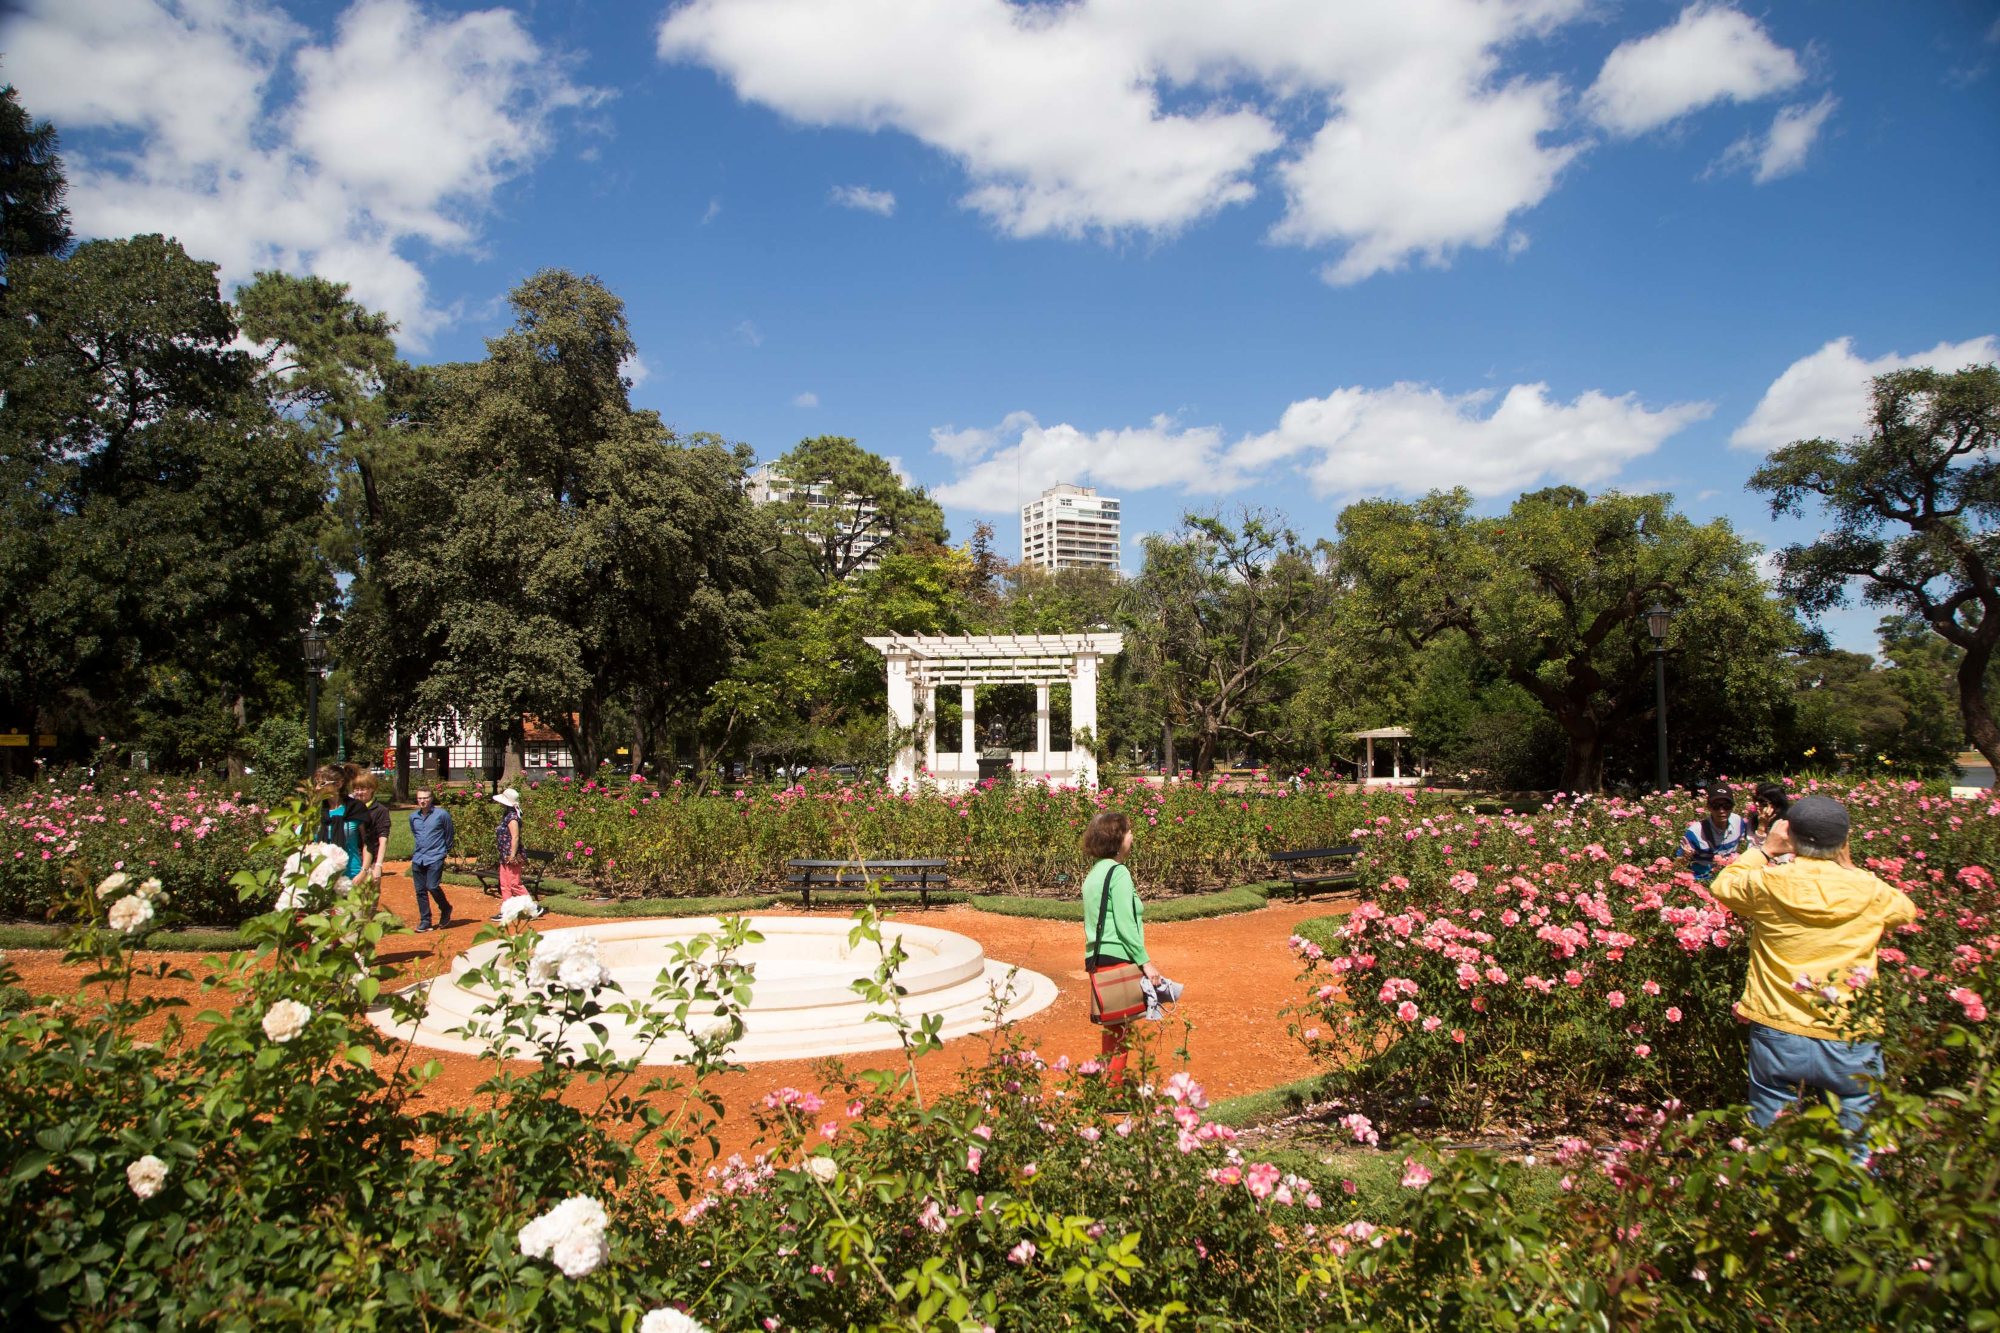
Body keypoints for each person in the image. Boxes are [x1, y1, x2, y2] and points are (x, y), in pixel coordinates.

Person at [1709, 795, 1917, 1160]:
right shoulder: (1870, 891)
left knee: (1771, 1143)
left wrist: (1764, 849)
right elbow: (1905, 911)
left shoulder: (1770, 883)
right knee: (1860, 1146)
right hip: (1850, 1032)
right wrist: (1848, 865)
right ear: (1845, 839)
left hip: (1779, 1027)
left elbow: (1724, 885)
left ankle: (1774, 1188)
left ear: (1789, 836)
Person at [1080, 811, 1162, 1085]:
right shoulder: (1119, 873)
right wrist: (1145, 962)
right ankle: (1113, 1091)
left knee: (1113, 1027)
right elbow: (1125, 925)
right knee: (1120, 1032)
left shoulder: (1094, 873)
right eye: (1128, 831)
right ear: (1116, 839)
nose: (1132, 836)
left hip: (1098, 958)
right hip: (1118, 956)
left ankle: (1107, 1081)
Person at [407, 788, 456, 932]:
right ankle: (425, 920)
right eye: (420, 798)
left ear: (431, 798)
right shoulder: (413, 817)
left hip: (436, 856)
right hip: (419, 857)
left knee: (432, 886)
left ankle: (445, 908)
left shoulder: (442, 815)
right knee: (420, 890)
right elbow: (415, 833)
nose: (422, 801)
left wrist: (444, 851)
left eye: (425, 798)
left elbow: (449, 834)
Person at [491, 787, 542, 921]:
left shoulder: (512, 817)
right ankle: (507, 911)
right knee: (505, 884)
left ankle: (533, 908)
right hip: (504, 855)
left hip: (511, 855)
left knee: (514, 884)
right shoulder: (508, 815)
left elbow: (515, 837)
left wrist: (512, 855)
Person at [315, 762, 368, 883]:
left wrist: (363, 872)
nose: (317, 788)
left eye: (322, 783)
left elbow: (368, 842)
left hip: (352, 876)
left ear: (338, 784)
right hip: (321, 877)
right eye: (316, 783)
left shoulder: (355, 808)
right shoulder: (316, 811)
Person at [1678, 789, 1748, 881]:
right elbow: (1677, 866)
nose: (1721, 810)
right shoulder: (1695, 832)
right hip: (1703, 880)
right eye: (1716, 806)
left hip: (1730, 878)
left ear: (1732, 807)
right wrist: (1685, 856)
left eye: (1726, 806)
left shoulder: (1738, 822)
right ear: (1708, 807)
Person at [350, 771, 393, 896]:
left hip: (371, 861)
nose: (359, 792)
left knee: (369, 899)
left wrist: (378, 865)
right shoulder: (349, 809)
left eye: (363, 789)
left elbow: (383, 839)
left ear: (372, 789)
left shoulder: (380, 810)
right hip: (352, 859)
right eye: (356, 789)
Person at [1746, 782, 1791, 850]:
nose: (1757, 803)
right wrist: (1761, 827)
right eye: (1755, 799)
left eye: (1762, 802)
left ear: (1776, 804)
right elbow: (1752, 850)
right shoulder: (1753, 821)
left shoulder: (1786, 824)